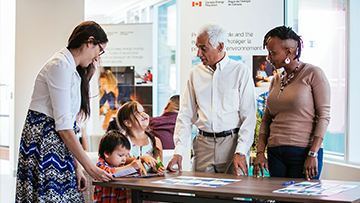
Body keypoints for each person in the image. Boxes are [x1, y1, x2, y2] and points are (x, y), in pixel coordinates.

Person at [15, 21, 113, 202]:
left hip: (58, 146)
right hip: (45, 145)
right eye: (100, 50)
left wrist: (77, 167)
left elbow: (70, 126)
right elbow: (64, 127)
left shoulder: (71, 69)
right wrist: (89, 168)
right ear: (89, 42)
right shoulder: (59, 65)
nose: (97, 57)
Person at [167, 24, 256, 176]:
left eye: (203, 48)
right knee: (201, 196)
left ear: (220, 46)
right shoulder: (195, 73)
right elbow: (186, 115)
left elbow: (249, 116)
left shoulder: (240, 71)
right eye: (197, 47)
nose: (198, 53)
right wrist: (179, 151)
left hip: (232, 144)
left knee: (231, 195)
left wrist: (241, 151)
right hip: (203, 144)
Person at [253, 25, 331, 180]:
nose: (268, 57)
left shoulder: (313, 74)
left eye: (272, 53)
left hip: (303, 153)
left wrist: (313, 153)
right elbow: (267, 118)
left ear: (289, 52)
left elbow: (324, 116)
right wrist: (260, 152)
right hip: (276, 154)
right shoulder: (276, 79)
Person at [93, 130, 144, 203]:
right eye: (120, 155)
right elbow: (109, 173)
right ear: (107, 153)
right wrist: (130, 166)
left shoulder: (119, 166)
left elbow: (130, 174)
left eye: (125, 155)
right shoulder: (100, 164)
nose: (124, 159)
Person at [116, 101, 166, 174]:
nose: (143, 114)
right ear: (128, 123)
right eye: (137, 113)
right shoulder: (122, 141)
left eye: (143, 111)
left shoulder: (155, 141)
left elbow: (157, 164)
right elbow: (122, 161)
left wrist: (160, 169)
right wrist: (142, 159)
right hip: (130, 182)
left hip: (149, 182)